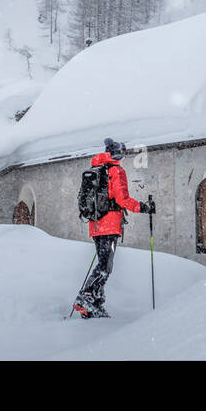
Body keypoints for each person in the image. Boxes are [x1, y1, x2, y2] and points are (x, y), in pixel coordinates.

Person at [73, 137, 155, 319]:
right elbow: (122, 200)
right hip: (109, 225)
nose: (122, 155)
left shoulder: (97, 169)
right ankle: (85, 297)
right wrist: (143, 207)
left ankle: (96, 303)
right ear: (117, 154)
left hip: (96, 224)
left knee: (103, 263)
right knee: (105, 266)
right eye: (121, 152)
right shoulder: (115, 171)